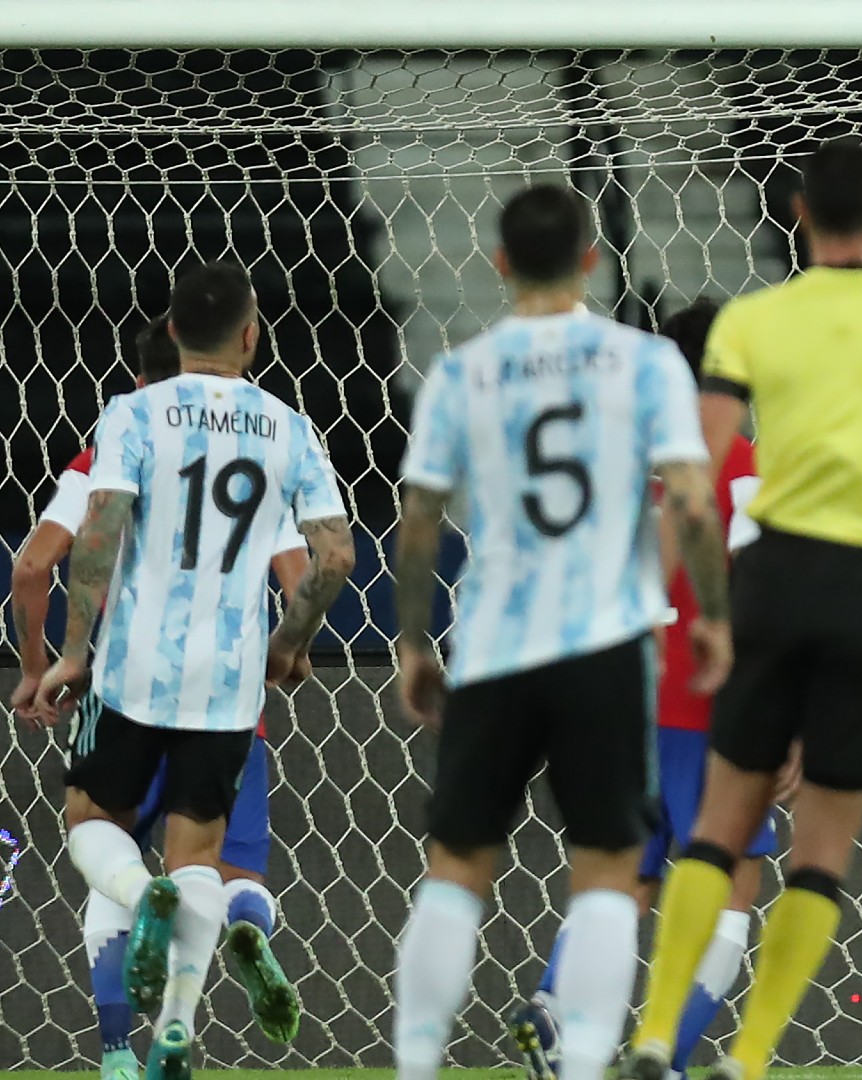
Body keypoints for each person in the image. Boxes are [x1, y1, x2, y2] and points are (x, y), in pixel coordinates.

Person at [621, 136, 862, 1080]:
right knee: (821, 846)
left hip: (778, 582)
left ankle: (653, 1035)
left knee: (716, 825)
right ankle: (748, 1058)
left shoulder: (752, 323)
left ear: (796, 213)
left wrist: (701, 608)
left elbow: (695, 473)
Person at [387, 184, 731, 1080]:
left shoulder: (461, 371)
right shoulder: (646, 362)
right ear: (591, 259)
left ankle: (415, 1066)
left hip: (496, 642)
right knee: (611, 873)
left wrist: (414, 640)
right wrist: (715, 620)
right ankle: (581, 1067)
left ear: (499, 263)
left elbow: (419, 516)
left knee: (457, 868)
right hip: (606, 648)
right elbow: (693, 503)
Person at [34, 262, 356, 1080]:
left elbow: (99, 531)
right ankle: (176, 1027)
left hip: (135, 670)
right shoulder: (286, 425)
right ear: (253, 336)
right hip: (229, 687)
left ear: (171, 333)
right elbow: (335, 552)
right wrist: (290, 638)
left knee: (88, 817)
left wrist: (71, 652)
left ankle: (140, 908)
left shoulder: (133, 413)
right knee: (202, 858)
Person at [507, 297, 780, 1080]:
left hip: (619, 706)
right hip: (712, 714)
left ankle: (556, 1009)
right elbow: (759, 600)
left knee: (624, 883)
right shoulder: (749, 471)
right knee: (732, 892)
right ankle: (671, 1056)